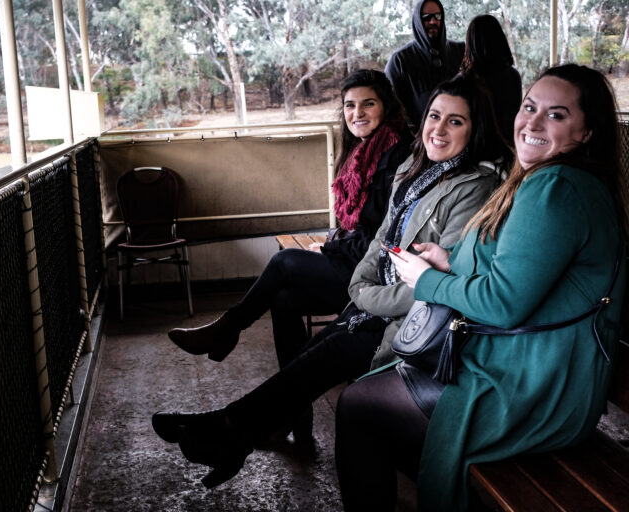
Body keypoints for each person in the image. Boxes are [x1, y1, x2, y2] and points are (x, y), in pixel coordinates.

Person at [152, 73, 512, 490]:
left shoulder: (474, 185)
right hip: (375, 298)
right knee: (303, 333)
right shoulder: (418, 173)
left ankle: (230, 426)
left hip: (415, 324)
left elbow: (436, 284)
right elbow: (380, 240)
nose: (439, 128)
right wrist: (360, 289)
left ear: (476, 129)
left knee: (314, 329)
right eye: (435, 116)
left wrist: (366, 297)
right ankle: (237, 430)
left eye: (456, 122)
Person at [335, 64, 629, 512]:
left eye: (556, 115)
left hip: (530, 388)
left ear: (587, 131)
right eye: (529, 107)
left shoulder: (555, 187)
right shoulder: (555, 180)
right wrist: (450, 261)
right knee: (374, 398)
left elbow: (503, 303)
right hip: (534, 368)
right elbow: (523, 270)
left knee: (360, 406)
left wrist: (426, 280)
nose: (532, 123)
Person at [167, 69, 411, 374]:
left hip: (372, 271)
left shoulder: (397, 155)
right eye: (350, 105)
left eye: (368, 104)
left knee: (283, 261)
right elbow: (356, 227)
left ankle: (228, 329)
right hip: (353, 257)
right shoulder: (362, 151)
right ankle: (293, 402)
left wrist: (328, 252)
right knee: (284, 299)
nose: (357, 113)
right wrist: (331, 246)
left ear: (386, 106)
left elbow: (380, 233)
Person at [385, 0, 465, 127]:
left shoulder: (461, 51)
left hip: (460, 137)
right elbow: (391, 108)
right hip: (419, 141)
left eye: (437, 16)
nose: (433, 22)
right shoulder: (400, 60)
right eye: (426, 17)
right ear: (417, 21)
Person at [460, 14, 522, 143]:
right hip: (507, 148)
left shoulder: (465, 80)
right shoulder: (513, 76)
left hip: (474, 149)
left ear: (471, 42)